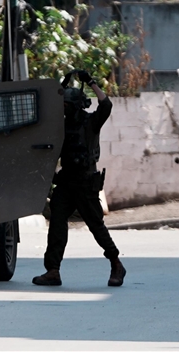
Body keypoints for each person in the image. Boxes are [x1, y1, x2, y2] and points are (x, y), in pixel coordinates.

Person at [33, 69, 126, 287]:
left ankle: (116, 263)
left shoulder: (90, 123)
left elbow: (106, 105)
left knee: (96, 225)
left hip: (85, 182)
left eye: (66, 105)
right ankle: (53, 270)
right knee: (57, 224)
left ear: (75, 106)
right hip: (66, 182)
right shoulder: (60, 126)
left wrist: (91, 82)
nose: (63, 109)